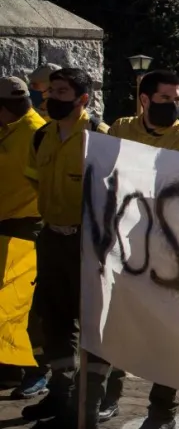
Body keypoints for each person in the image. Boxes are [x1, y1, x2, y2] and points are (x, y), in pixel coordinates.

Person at [105, 70, 179, 429]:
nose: (173, 106)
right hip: (121, 243)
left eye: (177, 100)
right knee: (117, 322)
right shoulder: (120, 128)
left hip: (165, 248)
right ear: (144, 100)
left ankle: (163, 410)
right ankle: (109, 397)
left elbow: (173, 189)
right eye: (165, 99)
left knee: (166, 331)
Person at [21, 68, 111, 428]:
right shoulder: (42, 136)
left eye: (61, 92)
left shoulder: (100, 138)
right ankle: (60, 392)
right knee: (54, 317)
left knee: (90, 320)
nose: (51, 98)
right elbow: (33, 182)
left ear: (82, 99)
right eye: (51, 92)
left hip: (87, 242)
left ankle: (86, 403)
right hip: (51, 239)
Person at [0, 77, 48, 399]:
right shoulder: (10, 129)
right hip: (7, 224)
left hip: (26, 225)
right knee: (5, 303)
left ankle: (37, 371)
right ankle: (9, 368)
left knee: (24, 304)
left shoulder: (36, 133)